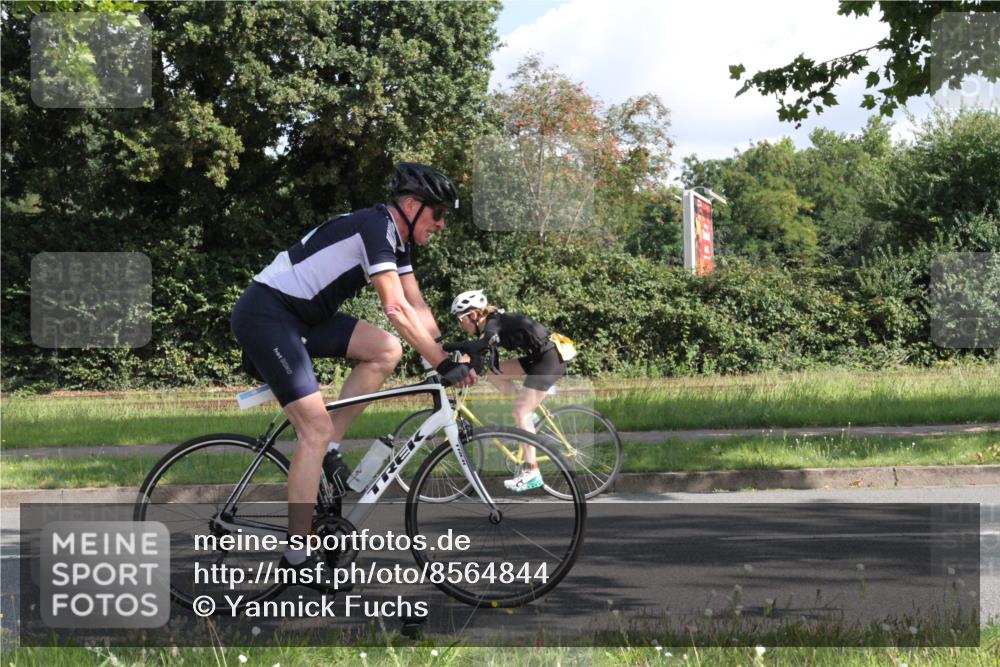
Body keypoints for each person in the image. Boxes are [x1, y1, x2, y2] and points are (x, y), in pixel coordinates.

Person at [231, 163, 478, 584]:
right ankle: (297, 555)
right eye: (438, 213)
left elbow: (415, 303)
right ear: (412, 206)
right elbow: (394, 307)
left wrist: (446, 353)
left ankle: (330, 449)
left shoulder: (396, 240)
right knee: (313, 429)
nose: (441, 224)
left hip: (303, 318)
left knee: (386, 349)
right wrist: (440, 363)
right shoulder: (376, 226)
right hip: (268, 315)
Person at [450, 289, 567, 492]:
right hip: (538, 356)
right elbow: (480, 353)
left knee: (520, 413)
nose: (459, 325)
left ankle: (532, 471)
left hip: (549, 359)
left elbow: (480, 345)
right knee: (495, 374)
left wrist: (450, 347)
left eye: (460, 319)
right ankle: (529, 413)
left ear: (474, 315)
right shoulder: (491, 324)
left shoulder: (493, 324)